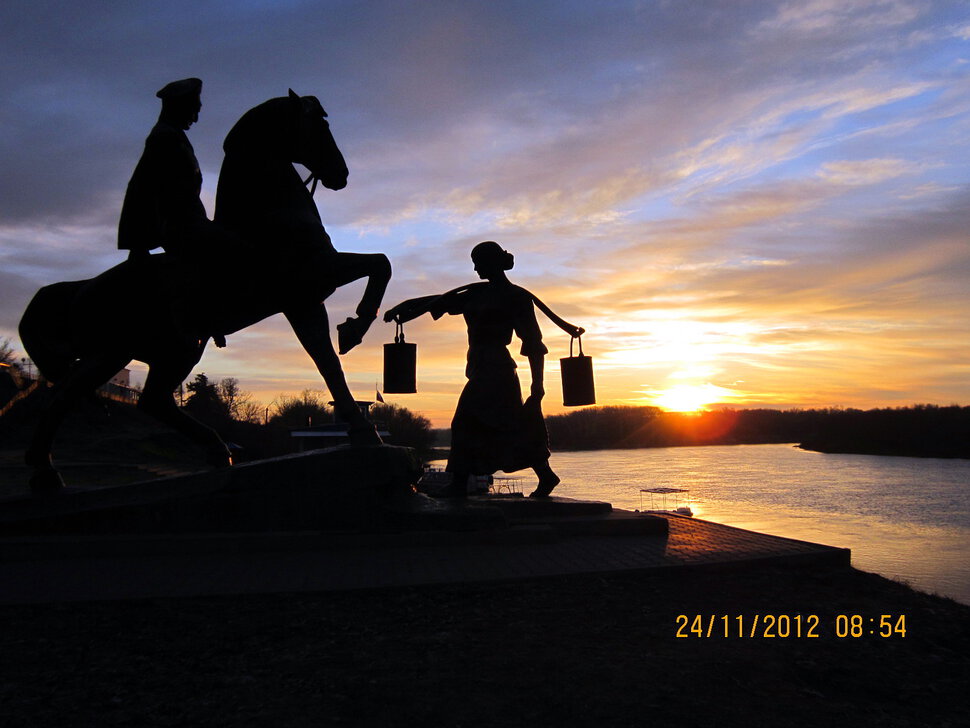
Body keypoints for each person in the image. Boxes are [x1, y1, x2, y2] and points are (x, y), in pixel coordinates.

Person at [384, 241, 575, 498]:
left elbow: (533, 344)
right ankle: (545, 474)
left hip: (498, 372)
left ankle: (460, 484)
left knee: (465, 422)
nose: (475, 269)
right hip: (478, 368)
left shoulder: (516, 297)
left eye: (479, 263)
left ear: (493, 262)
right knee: (505, 426)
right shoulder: (476, 294)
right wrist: (407, 306)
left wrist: (538, 385)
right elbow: (442, 301)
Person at [117, 78, 235, 346]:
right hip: (178, 224)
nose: (196, 116)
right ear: (179, 106)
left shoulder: (174, 136)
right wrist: (137, 244)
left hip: (189, 220)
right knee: (228, 246)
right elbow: (141, 187)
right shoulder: (164, 138)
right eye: (194, 109)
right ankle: (206, 314)